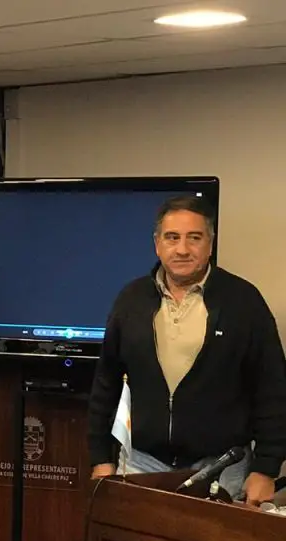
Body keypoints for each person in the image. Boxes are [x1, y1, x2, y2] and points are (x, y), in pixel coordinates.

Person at [87, 195, 286, 504]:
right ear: (157, 244)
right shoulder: (131, 300)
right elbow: (106, 385)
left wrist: (266, 469)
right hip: (141, 464)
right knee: (139, 537)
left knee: (215, 539)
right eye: (172, 237)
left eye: (194, 238)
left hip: (223, 467)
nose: (182, 249)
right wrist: (101, 459)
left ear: (210, 244)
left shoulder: (244, 302)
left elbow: (272, 390)